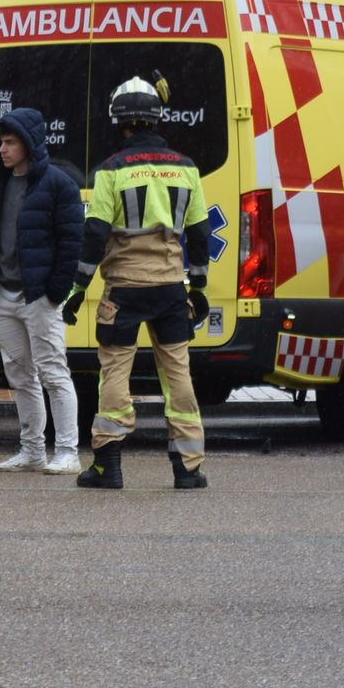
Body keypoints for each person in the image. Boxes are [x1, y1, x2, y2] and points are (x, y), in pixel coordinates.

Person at [63, 75, 211, 491]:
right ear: (155, 118)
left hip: (124, 289)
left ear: (119, 122)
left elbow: (93, 236)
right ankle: (188, 469)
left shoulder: (111, 171)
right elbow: (199, 234)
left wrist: (77, 291)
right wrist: (197, 288)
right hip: (169, 289)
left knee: (114, 372)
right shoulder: (186, 168)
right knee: (177, 373)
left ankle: (106, 466)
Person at [0, 109, 84, 474]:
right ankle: (32, 450)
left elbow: (71, 243)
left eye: (9, 142)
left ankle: (68, 451)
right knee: (20, 374)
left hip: (38, 297)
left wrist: (54, 292)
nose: (1, 149)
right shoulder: (3, 184)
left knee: (53, 372)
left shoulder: (58, 184)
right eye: (0, 142)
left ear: (29, 143)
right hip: (5, 295)